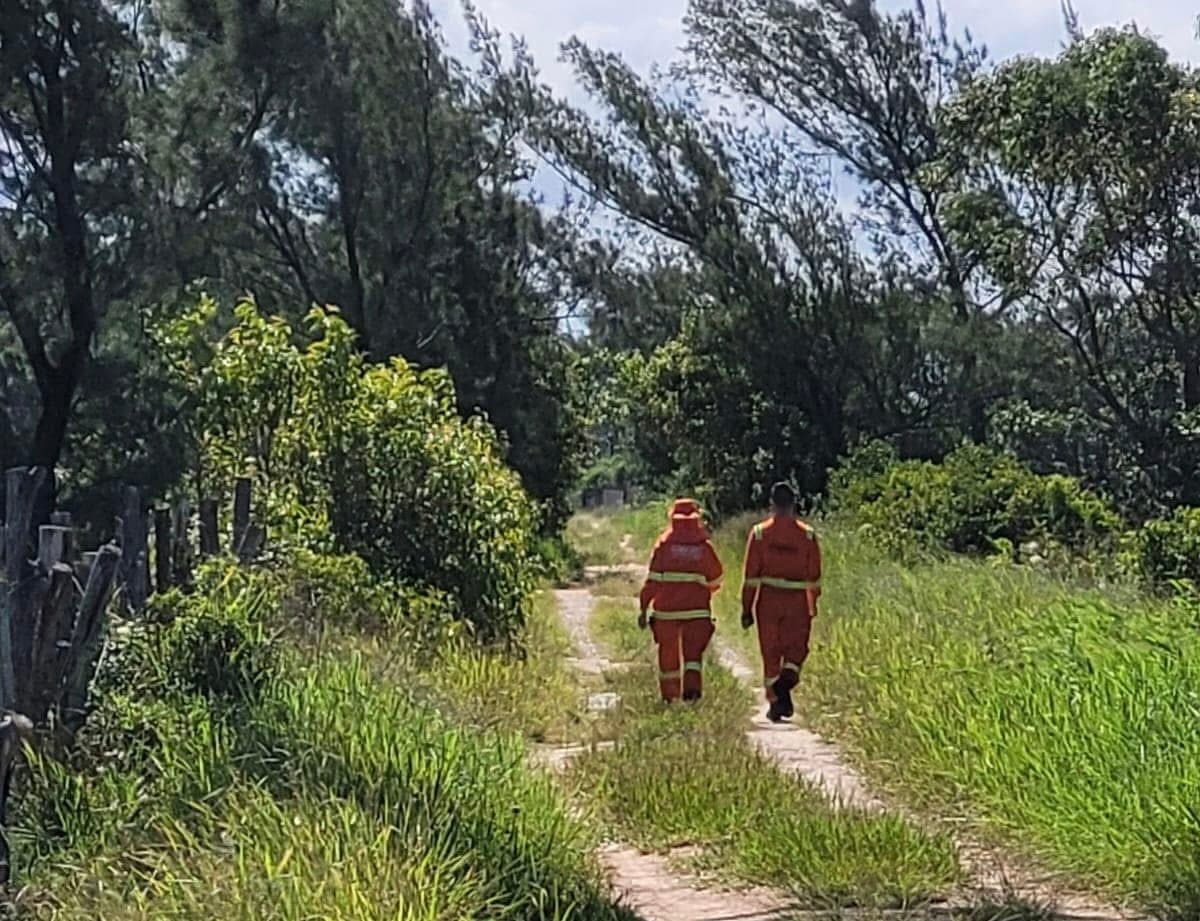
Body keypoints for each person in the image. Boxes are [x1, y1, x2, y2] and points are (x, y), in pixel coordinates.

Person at [740, 482, 822, 723]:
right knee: (796, 650)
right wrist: (812, 604)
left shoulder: (759, 534)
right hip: (797, 602)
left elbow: (751, 578)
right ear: (794, 503)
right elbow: (814, 577)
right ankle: (784, 685)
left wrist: (746, 608)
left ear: (772, 504)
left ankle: (776, 700)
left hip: (768, 602)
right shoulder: (807, 535)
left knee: (770, 652)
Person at [638, 498, 723, 703]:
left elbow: (652, 582)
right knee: (693, 658)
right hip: (697, 612)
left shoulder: (664, 546)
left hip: (666, 613)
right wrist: (702, 592)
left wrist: (643, 608)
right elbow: (716, 579)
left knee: (668, 658)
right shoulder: (704, 547)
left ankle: (670, 699)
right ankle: (692, 696)